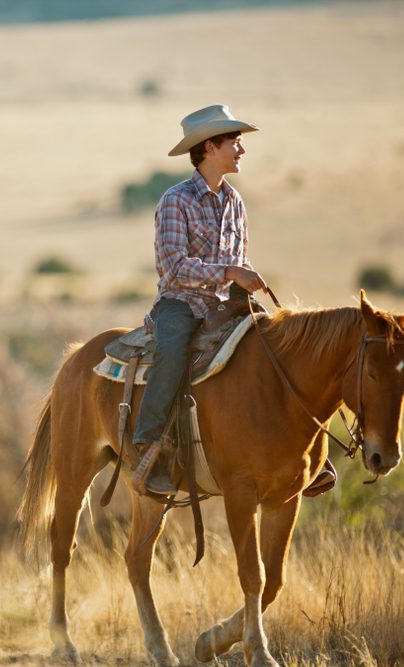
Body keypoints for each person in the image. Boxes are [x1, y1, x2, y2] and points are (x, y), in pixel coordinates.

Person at [131, 104, 268, 496]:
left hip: (226, 305)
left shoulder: (235, 203)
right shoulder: (176, 200)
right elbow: (172, 266)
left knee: (278, 343)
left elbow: (239, 258)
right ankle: (150, 443)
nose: (241, 151)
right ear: (210, 147)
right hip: (181, 304)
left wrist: (245, 274)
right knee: (172, 351)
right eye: (235, 143)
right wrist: (229, 273)